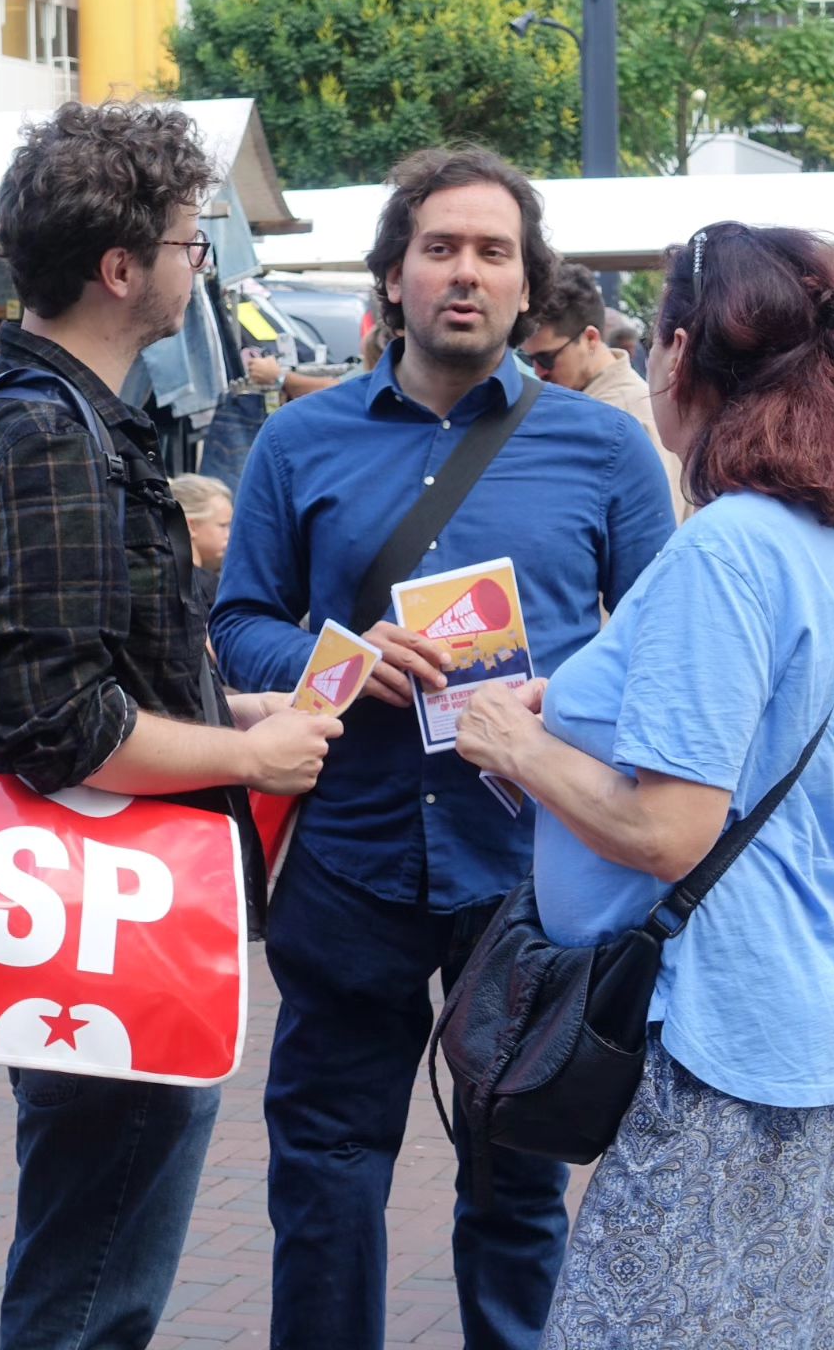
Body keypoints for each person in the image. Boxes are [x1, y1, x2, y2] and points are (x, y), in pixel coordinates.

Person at [209, 145, 675, 1350]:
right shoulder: (296, 448)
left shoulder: (604, 449)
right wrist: (342, 663)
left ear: (530, 287)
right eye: (439, 249)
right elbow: (239, 626)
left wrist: (554, 697)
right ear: (394, 277)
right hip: (348, 864)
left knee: (517, 1187)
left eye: (492, 252)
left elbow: (664, 651)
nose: (464, 274)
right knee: (324, 1179)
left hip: (529, 872)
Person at [0, 101, 343, 1350]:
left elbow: (97, 665)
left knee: (92, 1249)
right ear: (121, 270)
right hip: (104, 922)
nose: (196, 267)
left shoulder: (59, 418)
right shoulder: (46, 434)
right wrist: (247, 754)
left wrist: (229, 700)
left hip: (110, 913)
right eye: (189, 243)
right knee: (91, 1281)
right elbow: (61, 719)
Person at [455, 221, 834, 1349]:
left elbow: (667, 830)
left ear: (677, 352)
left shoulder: (728, 549)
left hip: (713, 1032)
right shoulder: (830, 545)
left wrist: (515, 748)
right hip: (794, 1011)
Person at [522, 260, 687, 521]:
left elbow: (660, 531)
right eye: (528, 359)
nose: (538, 371)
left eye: (547, 358)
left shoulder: (630, 415)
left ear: (590, 338)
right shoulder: (599, 407)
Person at [170, 472, 233, 603]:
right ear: (191, 527)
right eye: (223, 525)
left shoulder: (165, 576)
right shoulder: (211, 589)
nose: (229, 535)